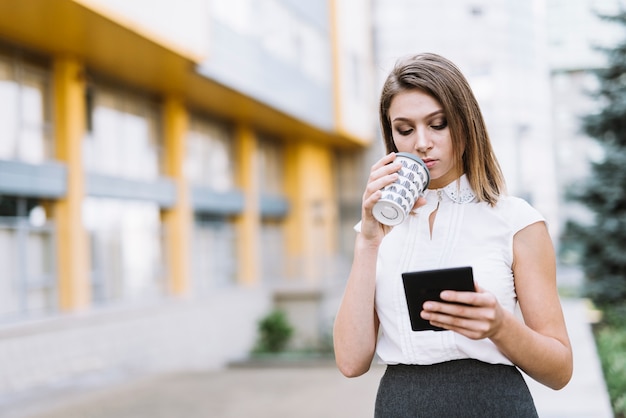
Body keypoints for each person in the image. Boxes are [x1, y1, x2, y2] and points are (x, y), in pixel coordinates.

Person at [332, 53, 573, 417]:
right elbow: (351, 362)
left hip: (494, 405)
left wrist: (501, 326)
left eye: (438, 124)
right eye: (405, 129)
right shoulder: (376, 229)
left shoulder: (516, 221)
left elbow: (560, 371)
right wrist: (367, 241)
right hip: (402, 406)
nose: (422, 142)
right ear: (391, 135)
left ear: (465, 124)